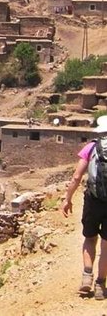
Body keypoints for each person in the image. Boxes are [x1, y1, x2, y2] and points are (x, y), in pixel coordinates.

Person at [63, 115, 107, 299]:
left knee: (90, 238)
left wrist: (68, 198)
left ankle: (86, 278)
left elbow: (76, 176)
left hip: (93, 200)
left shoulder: (91, 147)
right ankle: (100, 286)